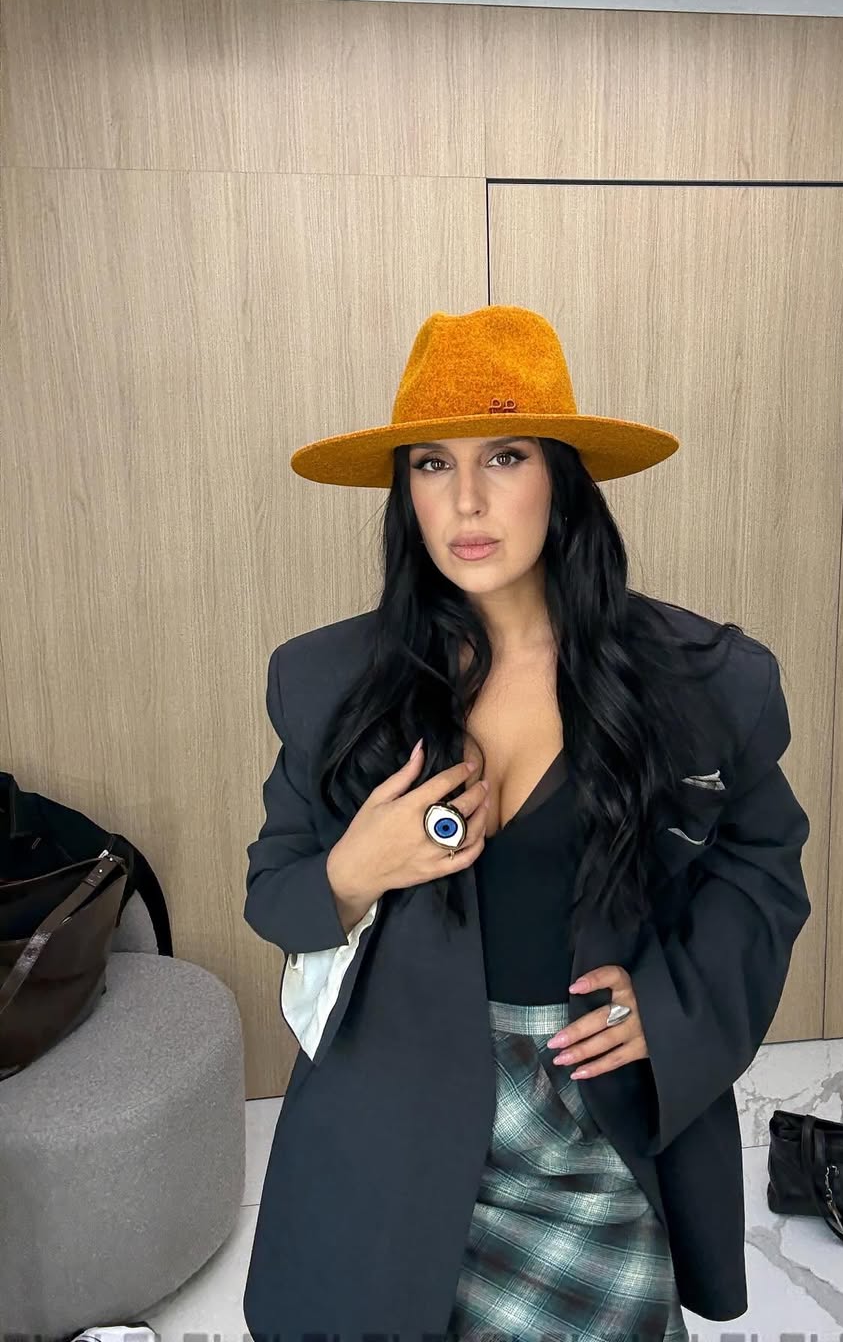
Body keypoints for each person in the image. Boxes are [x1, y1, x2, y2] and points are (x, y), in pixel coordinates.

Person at [242, 304, 812, 1342]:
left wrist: (673, 1007)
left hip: (593, 1119)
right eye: (431, 464)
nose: (465, 499)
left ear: (562, 477)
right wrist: (355, 869)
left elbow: (761, 865)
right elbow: (275, 893)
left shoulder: (700, 684)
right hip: (397, 1131)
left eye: (504, 457)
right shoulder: (328, 684)